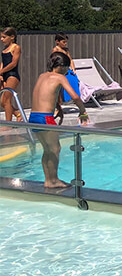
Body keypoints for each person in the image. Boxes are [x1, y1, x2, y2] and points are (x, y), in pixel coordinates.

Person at [29, 52, 89, 189]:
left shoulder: (42, 76)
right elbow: (75, 96)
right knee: (55, 149)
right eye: (67, 67)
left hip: (33, 117)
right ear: (61, 66)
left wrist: (58, 107)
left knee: (47, 149)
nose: (68, 70)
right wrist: (83, 111)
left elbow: (47, 94)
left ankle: (48, 180)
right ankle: (53, 180)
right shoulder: (60, 77)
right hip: (46, 118)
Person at [51, 33, 81, 107]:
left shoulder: (66, 50)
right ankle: (58, 106)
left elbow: (70, 60)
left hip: (66, 71)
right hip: (59, 72)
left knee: (73, 82)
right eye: (63, 42)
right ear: (57, 41)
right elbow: (55, 62)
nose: (65, 44)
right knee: (58, 90)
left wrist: (73, 69)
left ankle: (71, 98)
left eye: (66, 42)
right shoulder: (55, 50)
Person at [1, 27, 23, 121]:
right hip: (5, 74)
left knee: (6, 99)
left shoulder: (16, 47)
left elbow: (13, 63)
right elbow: (3, 63)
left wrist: (1, 71)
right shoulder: (5, 49)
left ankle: (8, 123)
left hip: (12, 75)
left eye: (4, 37)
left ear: (12, 37)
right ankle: (18, 114)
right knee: (2, 101)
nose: (1, 39)